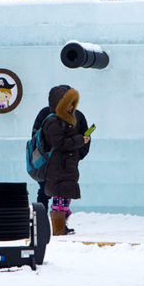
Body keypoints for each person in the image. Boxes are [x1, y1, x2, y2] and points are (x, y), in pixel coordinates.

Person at [31, 85, 90, 220]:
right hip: (47, 163)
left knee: (63, 194)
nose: (70, 107)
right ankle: (43, 221)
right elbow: (38, 137)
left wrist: (75, 157)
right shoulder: (48, 116)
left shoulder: (77, 116)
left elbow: (85, 138)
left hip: (67, 164)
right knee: (46, 191)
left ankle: (58, 224)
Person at [42, 87, 88, 236]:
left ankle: (62, 227)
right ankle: (58, 229)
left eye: (72, 104)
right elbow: (60, 143)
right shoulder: (53, 122)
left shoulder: (64, 121)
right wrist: (80, 140)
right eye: (68, 104)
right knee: (59, 200)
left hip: (65, 166)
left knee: (64, 199)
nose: (71, 107)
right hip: (59, 167)